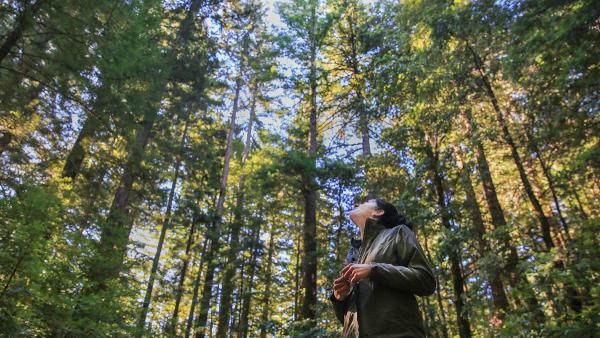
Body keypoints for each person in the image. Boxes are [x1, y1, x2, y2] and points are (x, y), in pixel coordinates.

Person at [329, 198, 436, 338]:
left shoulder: (398, 233)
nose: (358, 204)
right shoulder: (353, 255)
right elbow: (348, 320)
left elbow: (426, 280)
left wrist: (374, 269)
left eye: (366, 202)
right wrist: (339, 298)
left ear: (378, 212)